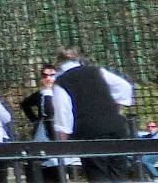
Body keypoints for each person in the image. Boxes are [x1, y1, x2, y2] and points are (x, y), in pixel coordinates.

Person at [48, 47, 136, 182]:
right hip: (116, 128)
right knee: (119, 176)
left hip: (89, 133)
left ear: (58, 63)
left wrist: (64, 141)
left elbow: (63, 113)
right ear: (78, 59)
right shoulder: (97, 71)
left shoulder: (61, 82)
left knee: (98, 176)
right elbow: (125, 87)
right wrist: (115, 107)